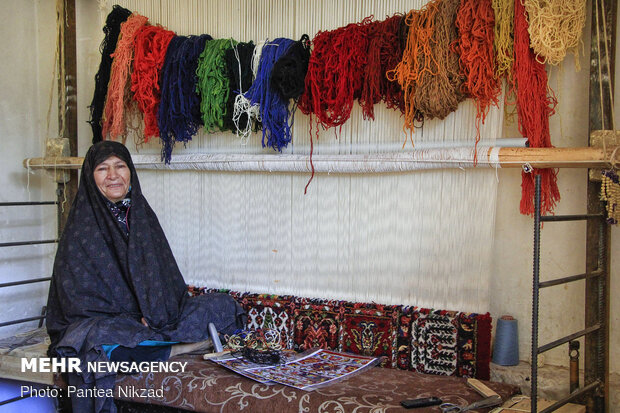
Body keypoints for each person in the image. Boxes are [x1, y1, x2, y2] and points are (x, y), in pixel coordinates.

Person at [46, 141, 245, 413]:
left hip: (152, 319)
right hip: (111, 323)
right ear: (91, 177)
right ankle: (178, 348)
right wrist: (130, 317)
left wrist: (156, 312)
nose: (113, 175)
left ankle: (163, 341)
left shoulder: (140, 214)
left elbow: (163, 275)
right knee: (92, 344)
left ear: (131, 173)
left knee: (223, 306)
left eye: (120, 166)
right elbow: (78, 299)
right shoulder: (81, 227)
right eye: (103, 169)